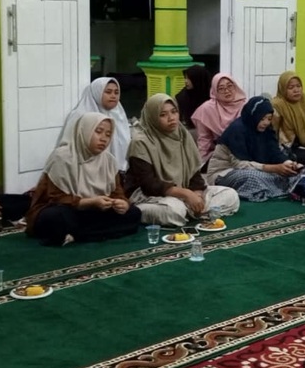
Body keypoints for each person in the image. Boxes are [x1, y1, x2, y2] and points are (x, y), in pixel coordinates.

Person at [26, 113, 141, 246]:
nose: (103, 139)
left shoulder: (108, 160)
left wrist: (122, 203)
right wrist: (88, 202)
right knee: (57, 217)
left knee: (133, 213)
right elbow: (54, 198)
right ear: (84, 131)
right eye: (98, 132)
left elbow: (116, 192)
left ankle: (74, 235)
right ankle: (90, 233)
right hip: (67, 210)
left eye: (108, 134)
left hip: (93, 213)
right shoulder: (62, 157)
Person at [125, 94, 240, 227]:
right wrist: (186, 194)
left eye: (174, 112)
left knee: (230, 195)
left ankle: (193, 211)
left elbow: (194, 173)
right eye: (163, 115)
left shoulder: (182, 135)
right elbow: (149, 184)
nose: (171, 118)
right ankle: (144, 212)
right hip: (150, 196)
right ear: (152, 117)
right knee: (175, 210)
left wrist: (197, 195)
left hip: (183, 191)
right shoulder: (141, 142)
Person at [205, 96, 300, 201]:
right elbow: (240, 165)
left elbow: (274, 152)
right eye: (262, 119)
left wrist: (288, 163)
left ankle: (272, 189)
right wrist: (274, 168)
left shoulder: (267, 130)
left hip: (256, 169)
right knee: (252, 177)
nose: (266, 123)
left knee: (289, 174)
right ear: (254, 116)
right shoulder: (237, 130)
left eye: (269, 119)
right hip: (224, 173)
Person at [58, 77, 132, 171]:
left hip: (116, 172)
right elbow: (68, 146)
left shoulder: (118, 114)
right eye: (108, 92)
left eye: (116, 92)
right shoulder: (80, 115)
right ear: (97, 92)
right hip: (84, 170)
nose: (113, 96)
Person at [192, 72, 247, 162]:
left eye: (230, 86)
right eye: (221, 88)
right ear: (214, 91)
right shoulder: (207, 109)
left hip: (244, 152)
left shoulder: (245, 106)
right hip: (218, 154)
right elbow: (204, 139)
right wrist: (201, 162)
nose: (227, 91)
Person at [176, 65, 211, 130]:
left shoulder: (211, 97)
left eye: (189, 78)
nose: (186, 81)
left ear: (198, 79)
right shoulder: (182, 97)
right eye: (185, 78)